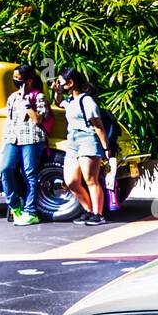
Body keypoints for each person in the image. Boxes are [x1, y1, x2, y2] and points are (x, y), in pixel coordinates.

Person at [54, 68, 111, 226]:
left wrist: (106, 148)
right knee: (71, 180)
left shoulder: (87, 101)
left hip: (88, 140)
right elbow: (58, 102)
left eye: (61, 82)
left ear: (71, 83)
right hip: (72, 142)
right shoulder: (70, 101)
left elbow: (98, 126)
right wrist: (57, 90)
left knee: (91, 179)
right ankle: (88, 210)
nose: (59, 84)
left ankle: (98, 214)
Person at [1, 63, 51, 226]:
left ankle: (31, 212)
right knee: (5, 169)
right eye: (14, 78)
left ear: (29, 81)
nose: (16, 81)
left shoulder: (39, 97)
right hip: (13, 139)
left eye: (19, 79)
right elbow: (10, 121)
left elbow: (38, 120)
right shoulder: (12, 97)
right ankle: (15, 206)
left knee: (30, 174)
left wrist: (26, 102)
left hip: (32, 139)